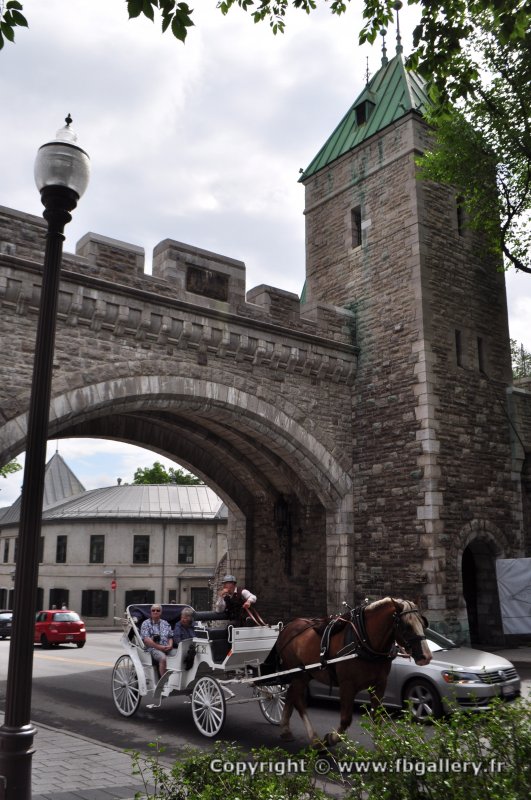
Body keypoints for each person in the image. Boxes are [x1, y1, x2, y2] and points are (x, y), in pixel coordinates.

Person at [140, 604, 173, 677]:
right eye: (153, 610)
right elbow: (146, 640)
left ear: (160, 612)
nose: (155, 612)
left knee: (179, 655)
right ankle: (164, 682)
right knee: (163, 658)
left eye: (158, 610)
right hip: (152, 649)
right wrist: (160, 647)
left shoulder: (165, 623)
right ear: (151, 612)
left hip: (167, 647)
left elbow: (170, 636)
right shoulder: (146, 623)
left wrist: (170, 645)